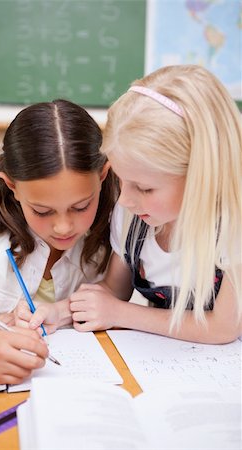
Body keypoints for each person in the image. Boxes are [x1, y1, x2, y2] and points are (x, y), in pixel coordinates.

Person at [0, 99, 118, 381]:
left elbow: (111, 304)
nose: (63, 227)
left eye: (81, 206)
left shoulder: (110, 233)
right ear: (12, 186)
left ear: (103, 176)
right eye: (42, 211)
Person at [66, 65, 241, 344]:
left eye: (145, 188)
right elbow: (113, 293)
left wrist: (121, 314)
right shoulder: (135, 214)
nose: (124, 200)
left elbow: (223, 328)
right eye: (121, 180)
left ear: (200, 174)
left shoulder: (234, 226)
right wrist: (59, 312)